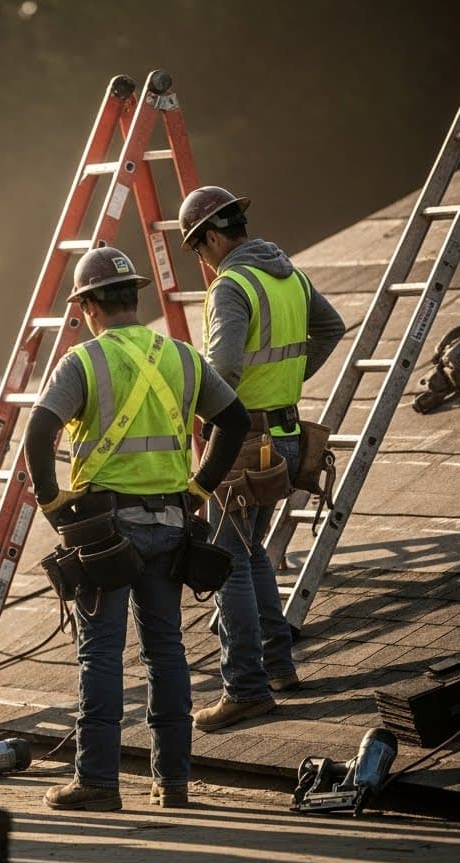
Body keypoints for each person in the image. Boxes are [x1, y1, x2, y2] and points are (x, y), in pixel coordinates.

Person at [25, 247, 248, 811]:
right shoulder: (183, 357)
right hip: (172, 524)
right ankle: (172, 782)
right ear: (133, 297)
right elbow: (234, 420)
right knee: (165, 650)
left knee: (100, 654)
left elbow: (39, 432)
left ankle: (98, 781)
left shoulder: (84, 362)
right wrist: (199, 488)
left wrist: (53, 506)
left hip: (104, 532)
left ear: (89, 305)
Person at [177, 187, 345, 732]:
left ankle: (245, 689)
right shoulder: (287, 274)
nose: (201, 260)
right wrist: (287, 383)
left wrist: (199, 415)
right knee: (251, 558)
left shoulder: (231, 284)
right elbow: (331, 328)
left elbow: (221, 369)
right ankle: (277, 667)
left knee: (228, 564)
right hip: (288, 434)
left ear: (210, 237)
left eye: (198, 248)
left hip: (244, 440)